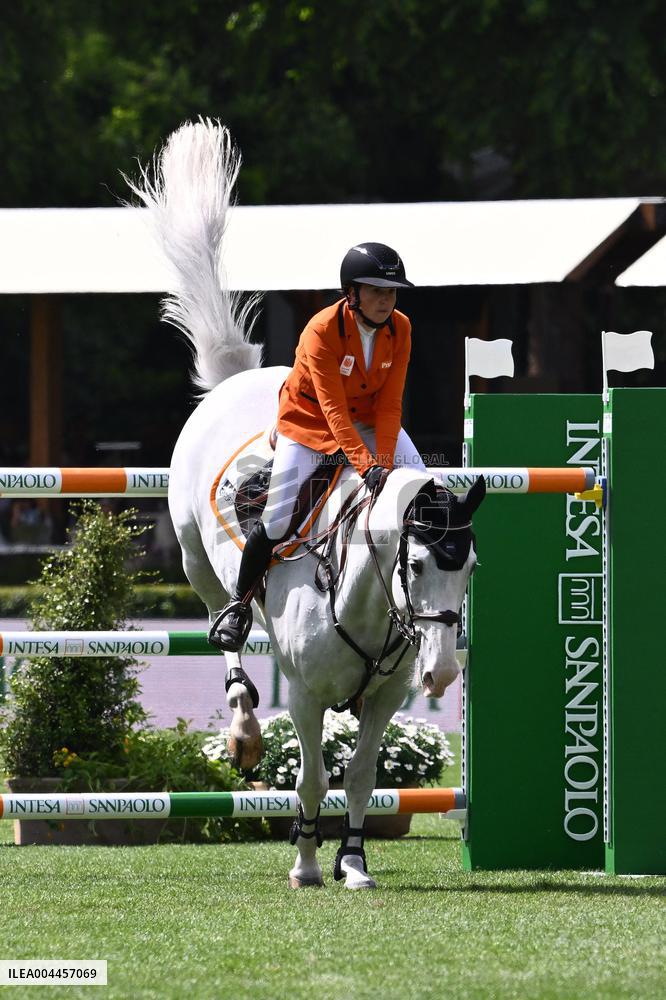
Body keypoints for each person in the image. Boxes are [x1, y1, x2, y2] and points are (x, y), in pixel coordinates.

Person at [210, 242, 427, 652]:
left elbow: (390, 404)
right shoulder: (322, 330)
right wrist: (367, 468)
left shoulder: (401, 328)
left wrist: (382, 463)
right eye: (377, 290)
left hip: (368, 419)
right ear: (352, 293)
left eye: (392, 291)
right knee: (276, 520)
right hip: (308, 422)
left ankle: (433, 601)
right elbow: (332, 409)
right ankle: (237, 606)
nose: (386, 300)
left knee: (424, 491)